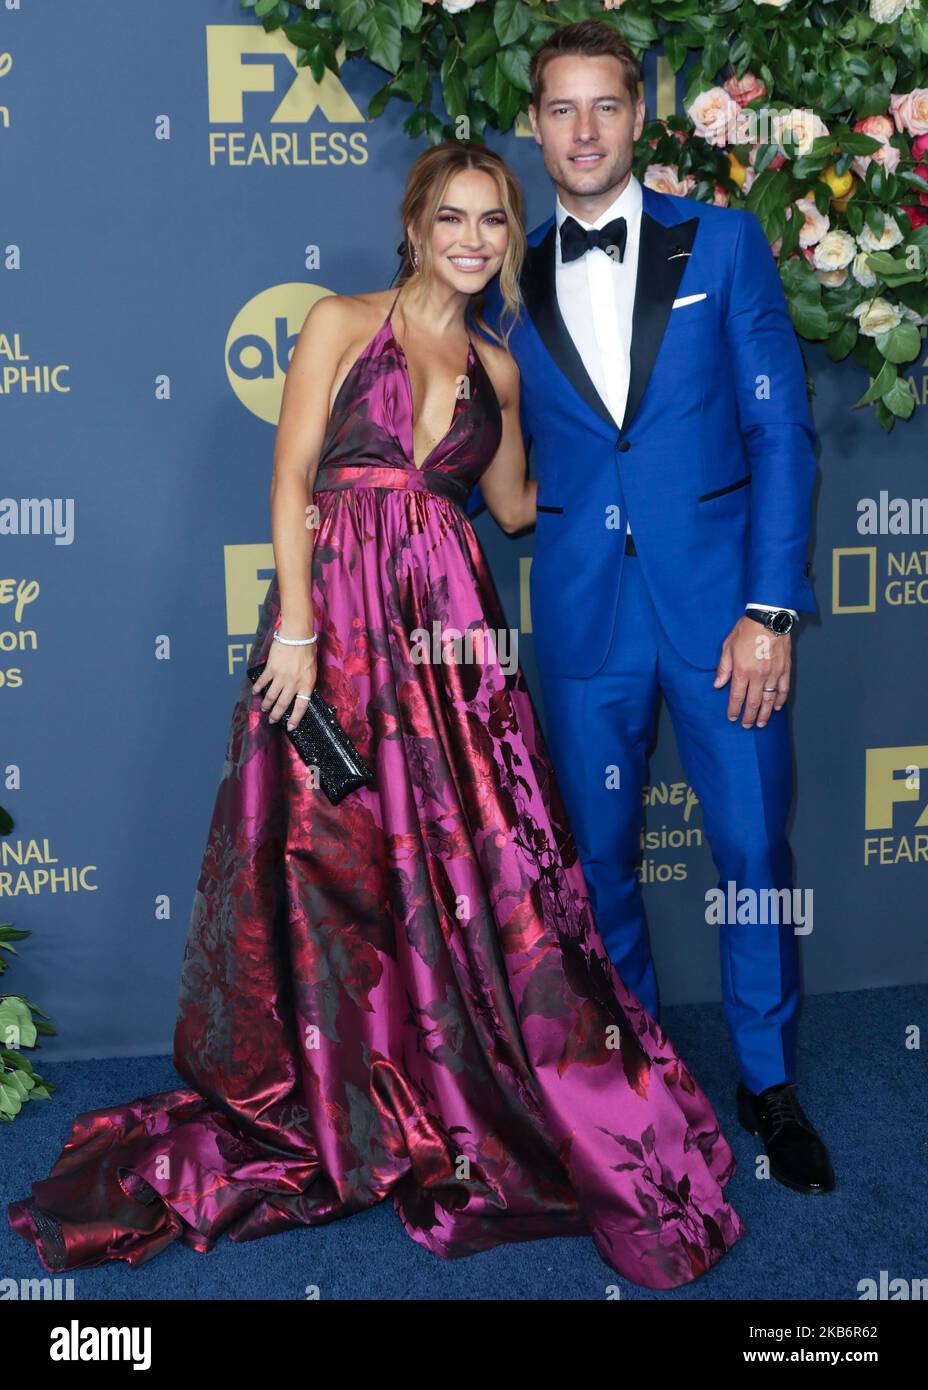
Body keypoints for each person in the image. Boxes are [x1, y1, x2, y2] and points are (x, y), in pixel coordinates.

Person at [7, 140, 745, 1291]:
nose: (471, 239)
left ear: (510, 237)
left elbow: (507, 510)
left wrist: (629, 460)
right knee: (320, 855)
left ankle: (445, 1082)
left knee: (466, 872)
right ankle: (340, 1093)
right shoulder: (340, 323)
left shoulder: (501, 370)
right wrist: (295, 627)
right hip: (334, 623)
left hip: (451, 637)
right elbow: (292, 478)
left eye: (494, 221)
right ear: (414, 224)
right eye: (451, 216)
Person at [472, 20, 834, 1195]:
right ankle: (635, 1081)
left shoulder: (723, 246)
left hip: (723, 614)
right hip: (583, 623)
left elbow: (780, 429)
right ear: (535, 128)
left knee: (749, 851)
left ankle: (767, 1079)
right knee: (599, 867)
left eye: (605, 107)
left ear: (638, 118)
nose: (583, 130)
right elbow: (493, 461)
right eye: (560, 110)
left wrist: (771, 610)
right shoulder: (504, 279)